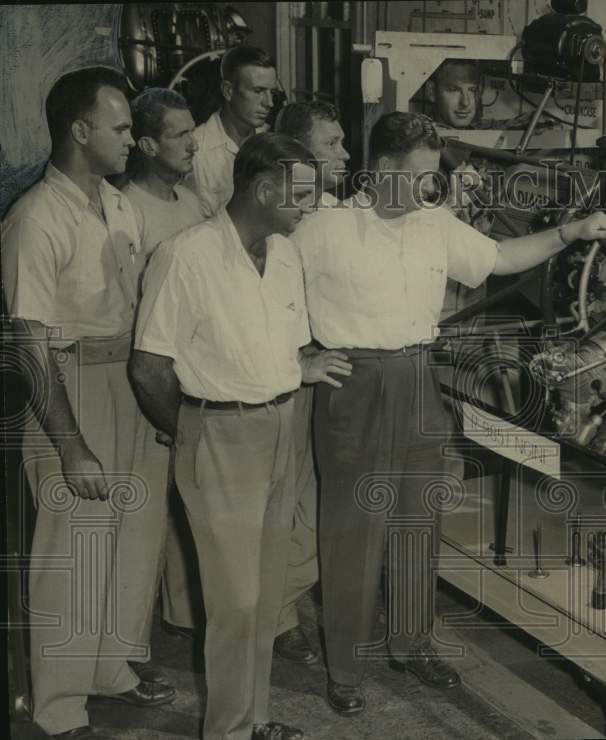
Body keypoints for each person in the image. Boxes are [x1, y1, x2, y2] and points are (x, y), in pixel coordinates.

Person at [294, 111, 606, 716]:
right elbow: (272, 287)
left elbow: (498, 257)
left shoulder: (433, 221)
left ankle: (411, 643)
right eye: (419, 176)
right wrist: (300, 355)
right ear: (383, 169)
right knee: (353, 531)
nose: (428, 188)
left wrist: (570, 233)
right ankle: (347, 666)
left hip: (420, 374)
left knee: (419, 520)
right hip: (354, 382)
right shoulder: (323, 227)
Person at [128, 133, 351, 740]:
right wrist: (197, 431)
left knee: (265, 594)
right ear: (263, 188)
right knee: (235, 603)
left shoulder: (284, 255)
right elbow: (149, 368)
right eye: (302, 193)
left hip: (282, 424)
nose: (311, 203)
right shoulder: (185, 255)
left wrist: (298, 370)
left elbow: (282, 344)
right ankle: (226, 732)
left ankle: (254, 719)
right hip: (218, 435)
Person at [1, 66, 176, 740]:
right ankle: (60, 705)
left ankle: (110, 667)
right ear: (81, 130)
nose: (133, 139)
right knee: (72, 546)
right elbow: (29, 345)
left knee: (134, 536)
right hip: (69, 387)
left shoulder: (118, 202)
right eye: (123, 127)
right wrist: (69, 443)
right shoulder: (34, 220)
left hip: (127, 378)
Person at [122, 87, 207, 645]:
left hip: (198, 372)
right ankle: (133, 636)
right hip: (153, 374)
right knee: (146, 517)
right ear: (148, 144)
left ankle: (184, 618)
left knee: (189, 509)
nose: (192, 143)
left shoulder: (196, 203)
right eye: (179, 134)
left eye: (192, 130)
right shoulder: (127, 208)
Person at [268, 100, 351, 665]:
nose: (345, 154)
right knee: (289, 497)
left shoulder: (333, 211)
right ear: (299, 154)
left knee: (318, 495)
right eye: (332, 145)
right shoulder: (288, 224)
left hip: (328, 372)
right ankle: (276, 618)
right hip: (289, 374)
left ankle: (295, 601)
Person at [190, 46, 278, 218]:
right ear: (228, 91)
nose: (269, 103)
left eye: (272, 92)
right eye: (258, 91)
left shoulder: (272, 144)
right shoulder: (195, 149)